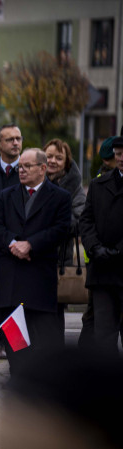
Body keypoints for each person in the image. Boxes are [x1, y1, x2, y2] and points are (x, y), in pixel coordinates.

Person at [0, 149, 72, 373]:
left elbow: (61, 229)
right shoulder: (7, 195)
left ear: (42, 168)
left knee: (42, 340)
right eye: (20, 167)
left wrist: (31, 244)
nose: (21, 170)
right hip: (11, 280)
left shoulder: (60, 197)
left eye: (27, 166)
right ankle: (18, 378)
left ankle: (38, 383)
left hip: (39, 280)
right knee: (15, 340)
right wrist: (13, 243)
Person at [78, 137, 123, 350]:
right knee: (103, 335)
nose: (121, 159)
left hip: (118, 263)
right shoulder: (98, 185)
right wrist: (95, 247)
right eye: (118, 154)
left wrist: (118, 250)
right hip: (102, 271)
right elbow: (86, 219)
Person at [43, 139, 86, 230]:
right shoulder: (32, 181)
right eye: (49, 156)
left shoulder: (76, 189)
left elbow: (79, 220)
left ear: (66, 163)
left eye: (59, 158)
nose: (53, 161)